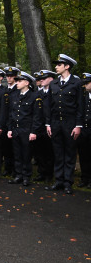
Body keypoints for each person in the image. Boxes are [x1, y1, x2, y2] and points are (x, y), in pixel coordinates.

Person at [44, 54, 84, 195]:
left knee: (70, 153)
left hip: (70, 123)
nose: (56, 67)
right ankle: (59, 181)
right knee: (58, 153)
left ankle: (68, 182)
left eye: (59, 64)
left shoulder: (76, 83)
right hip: (55, 123)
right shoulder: (54, 83)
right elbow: (48, 105)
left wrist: (78, 125)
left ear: (67, 66)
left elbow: (80, 105)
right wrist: (48, 124)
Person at [6, 72, 43, 186]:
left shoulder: (34, 96)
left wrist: (33, 131)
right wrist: (10, 128)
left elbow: (37, 116)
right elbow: (11, 114)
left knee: (26, 154)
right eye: (16, 81)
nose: (17, 83)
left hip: (27, 130)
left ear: (27, 83)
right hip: (16, 129)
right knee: (17, 154)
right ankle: (19, 175)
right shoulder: (14, 96)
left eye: (19, 81)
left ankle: (26, 176)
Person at [33, 70, 56, 182]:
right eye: (40, 79)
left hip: (50, 127)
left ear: (51, 79)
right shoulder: (38, 94)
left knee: (49, 152)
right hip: (39, 127)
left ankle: (49, 174)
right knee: (40, 151)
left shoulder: (54, 93)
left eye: (44, 78)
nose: (41, 80)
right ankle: (41, 173)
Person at [2, 66, 20, 177]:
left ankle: (14, 169)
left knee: (14, 148)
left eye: (11, 76)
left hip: (14, 121)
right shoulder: (4, 90)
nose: (9, 78)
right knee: (6, 147)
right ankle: (7, 168)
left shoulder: (17, 90)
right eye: (7, 76)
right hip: (4, 122)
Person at [77, 73, 91, 187]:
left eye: (87, 83)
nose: (85, 86)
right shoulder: (83, 97)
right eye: (84, 83)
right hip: (84, 130)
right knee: (84, 155)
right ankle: (85, 178)